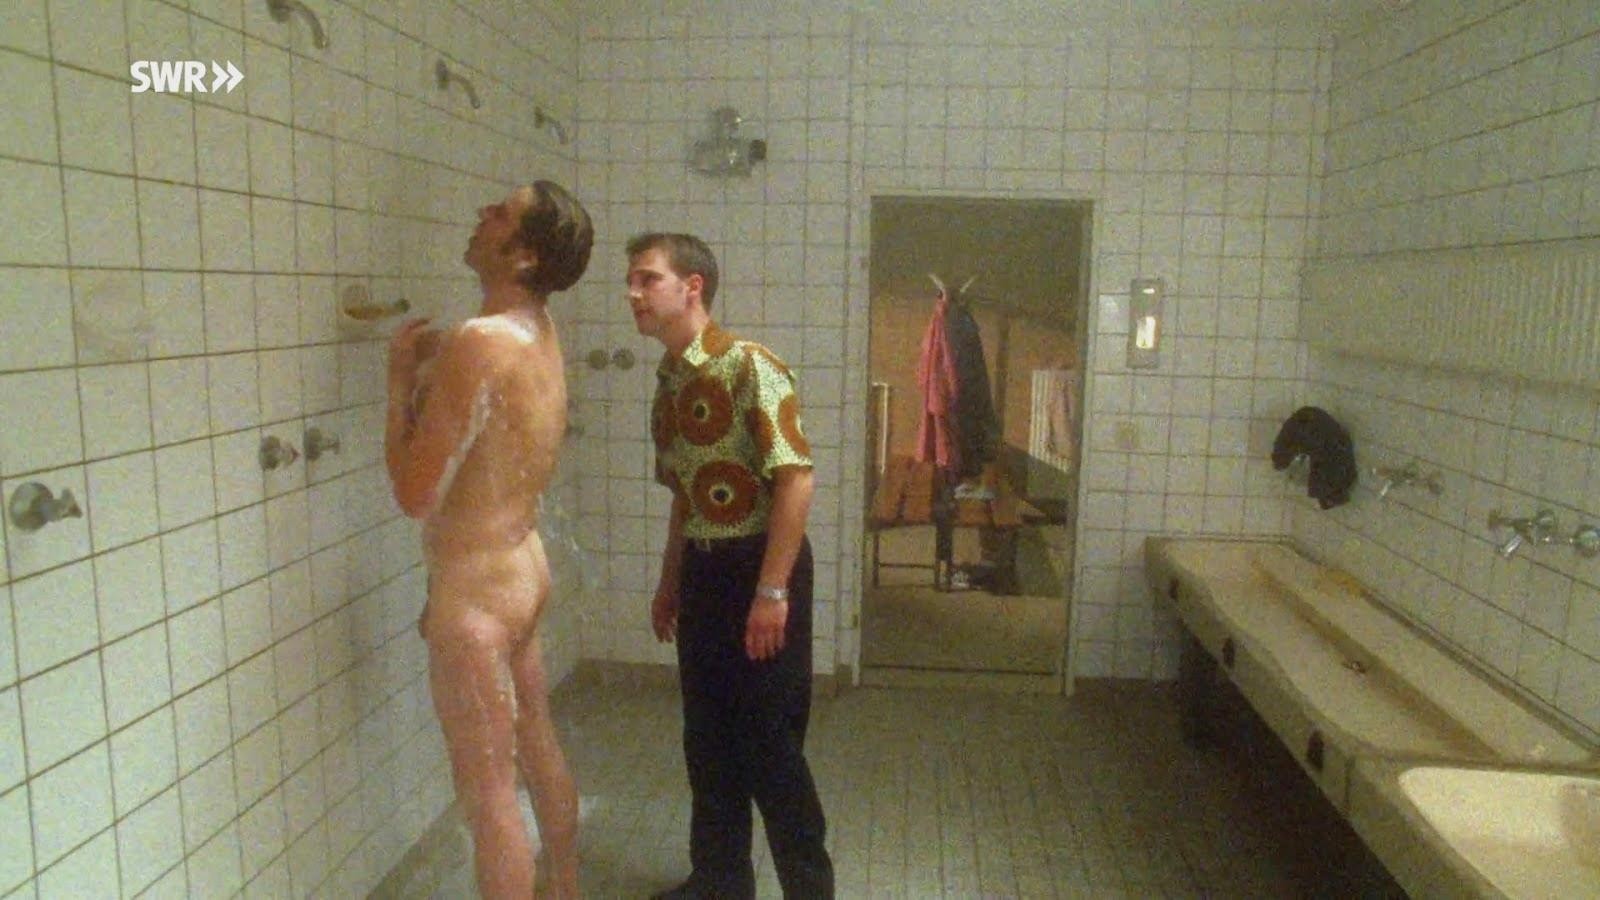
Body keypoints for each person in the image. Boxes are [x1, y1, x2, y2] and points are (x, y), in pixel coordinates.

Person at [384, 180, 592, 899]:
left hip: (476, 597)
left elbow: (415, 495)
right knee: (536, 737)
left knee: (489, 792)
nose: (481, 215)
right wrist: (441, 368)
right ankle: (564, 888)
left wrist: (399, 386)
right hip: (521, 569)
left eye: (500, 213)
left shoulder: (480, 341)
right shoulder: (536, 328)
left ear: (525, 254)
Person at [628, 233, 835, 899]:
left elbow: (796, 479)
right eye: (632, 281)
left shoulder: (750, 366)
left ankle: (809, 890)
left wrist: (772, 591)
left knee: (770, 745)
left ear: (692, 287)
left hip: (761, 564)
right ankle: (719, 882)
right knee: (707, 737)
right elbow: (685, 496)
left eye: (647, 279)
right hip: (704, 569)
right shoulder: (670, 381)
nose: (632, 293)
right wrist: (670, 582)